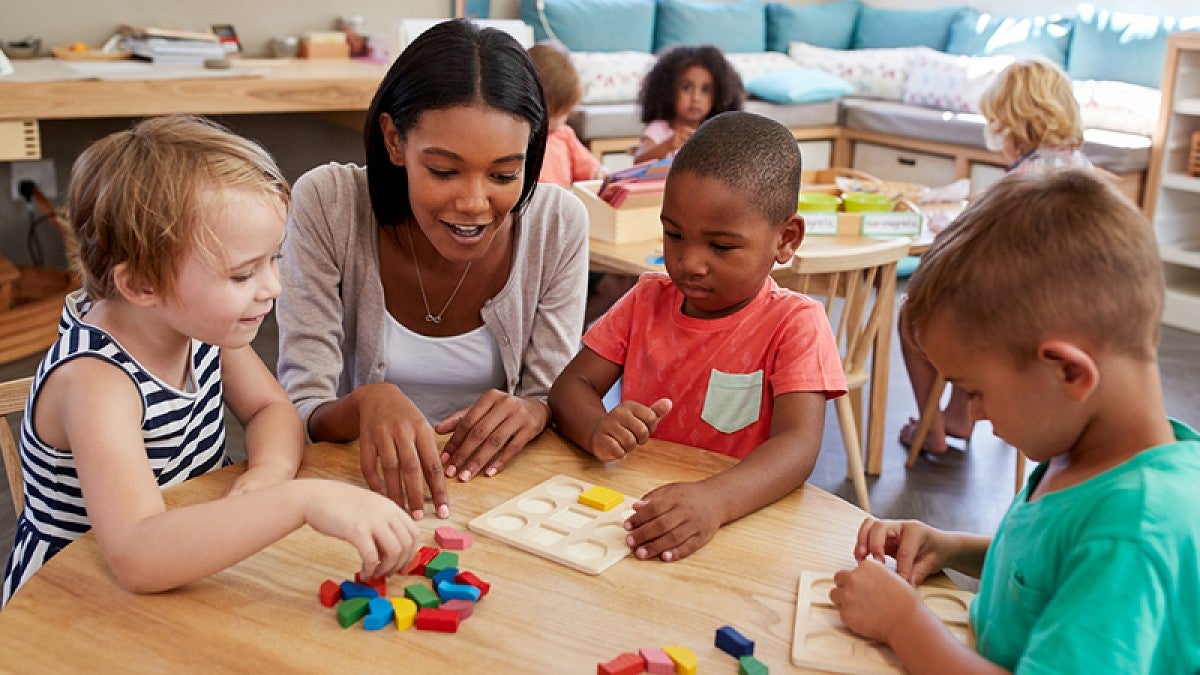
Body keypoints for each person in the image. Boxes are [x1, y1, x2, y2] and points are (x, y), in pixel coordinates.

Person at [1, 115, 420, 607]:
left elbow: (270, 410)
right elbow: (137, 554)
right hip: (75, 604)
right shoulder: (96, 382)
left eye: (274, 258)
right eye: (243, 274)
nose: (274, 288)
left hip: (184, 565)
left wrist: (267, 474)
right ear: (141, 285)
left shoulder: (198, 324)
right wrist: (300, 500)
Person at [831, 170, 1200, 673]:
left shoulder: (1133, 531)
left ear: (1069, 371)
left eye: (975, 392)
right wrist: (951, 547)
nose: (974, 414)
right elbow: (1051, 565)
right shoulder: (1091, 454)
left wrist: (903, 625)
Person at [276, 20, 589, 519]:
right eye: (443, 171)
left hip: (499, 499)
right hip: (352, 497)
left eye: (505, 174)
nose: (474, 203)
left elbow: (548, 393)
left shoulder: (557, 223)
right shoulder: (328, 204)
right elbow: (297, 407)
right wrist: (364, 403)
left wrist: (536, 408)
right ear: (395, 141)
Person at [549, 111, 846, 563]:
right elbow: (572, 386)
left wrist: (716, 500)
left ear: (786, 239)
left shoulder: (795, 324)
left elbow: (798, 446)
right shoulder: (646, 298)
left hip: (739, 524)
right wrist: (596, 426)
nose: (689, 262)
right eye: (674, 234)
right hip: (638, 511)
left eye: (721, 246)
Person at [898, 57, 1094, 455]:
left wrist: (944, 227)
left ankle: (931, 428)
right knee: (966, 301)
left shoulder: (1020, 186)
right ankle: (959, 416)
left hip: (1017, 326)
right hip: (1072, 321)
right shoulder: (1084, 173)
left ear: (1015, 126)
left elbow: (962, 250)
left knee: (915, 313)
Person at [633, 44, 744, 164]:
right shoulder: (659, 128)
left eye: (706, 90)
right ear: (667, 90)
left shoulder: (717, 130)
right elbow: (638, 161)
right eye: (686, 88)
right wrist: (668, 145)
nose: (695, 98)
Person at [527, 40, 606, 186]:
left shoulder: (564, 135)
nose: (559, 122)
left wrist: (597, 172)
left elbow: (589, 167)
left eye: (563, 114)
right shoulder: (520, 139)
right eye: (553, 116)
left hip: (562, 205)